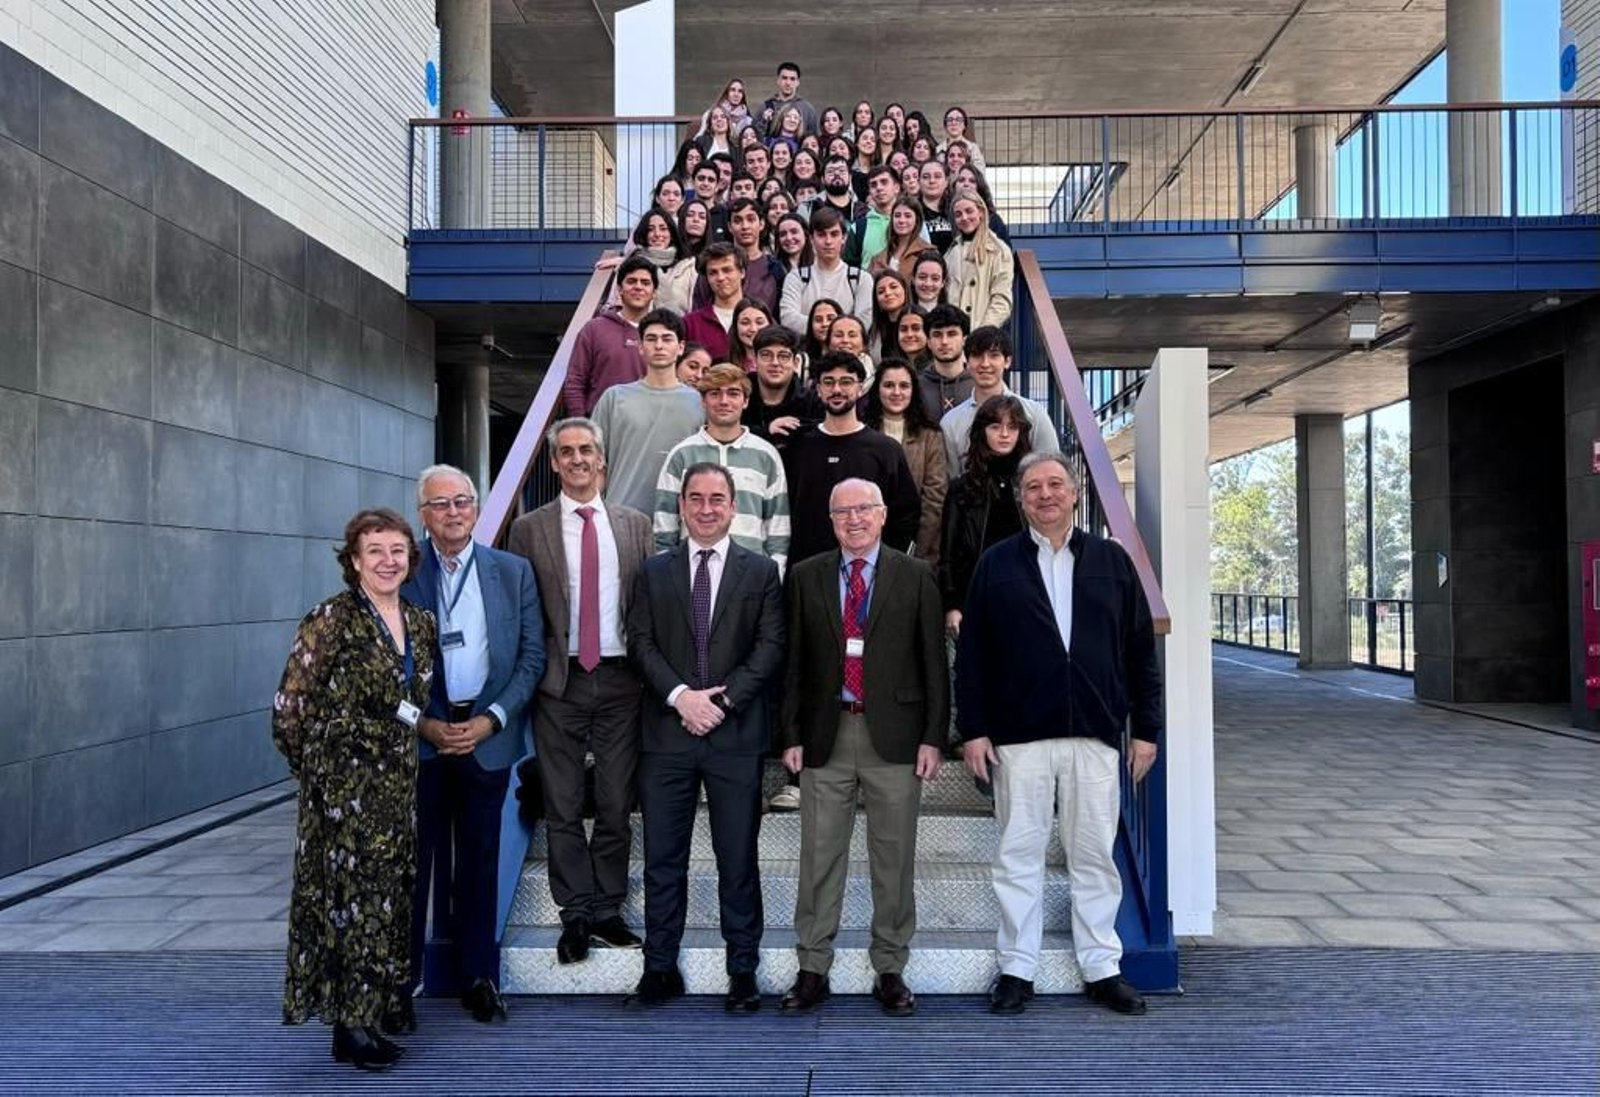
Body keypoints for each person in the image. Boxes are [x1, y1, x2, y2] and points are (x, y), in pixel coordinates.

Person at [957, 453, 1163, 1016]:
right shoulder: (996, 564)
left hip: (1093, 736)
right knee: (1017, 856)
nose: (1045, 494)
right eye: (1033, 487)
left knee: (1094, 856)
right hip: (1019, 737)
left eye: (1055, 484)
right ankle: (1016, 968)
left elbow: (1140, 652)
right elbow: (972, 656)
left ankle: (1101, 967)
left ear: (1074, 493)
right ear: (1020, 498)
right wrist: (973, 729)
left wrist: (1146, 729)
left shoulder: (1112, 562)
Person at [776, 478, 947, 1017]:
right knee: (818, 856)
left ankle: (890, 967)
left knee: (893, 859)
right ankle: (812, 967)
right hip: (825, 735)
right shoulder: (805, 576)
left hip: (895, 737)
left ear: (882, 515)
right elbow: (793, 664)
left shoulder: (915, 575)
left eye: (863, 509)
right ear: (830, 521)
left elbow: (934, 663)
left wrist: (933, 737)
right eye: (842, 511)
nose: (854, 519)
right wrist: (790, 735)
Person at [274, 508, 437, 1071]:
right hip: (342, 793)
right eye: (375, 551)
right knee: (350, 902)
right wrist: (321, 776)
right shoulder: (331, 619)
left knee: (389, 898)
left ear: (410, 559)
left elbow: (409, 704)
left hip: (397, 785)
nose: (388, 561)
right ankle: (350, 1025)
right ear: (354, 561)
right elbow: (289, 709)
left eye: (397, 551)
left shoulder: (420, 622)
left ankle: (374, 1008)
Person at [625, 463, 786, 1008]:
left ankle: (742, 971)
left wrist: (722, 701)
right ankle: (659, 969)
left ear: (734, 507)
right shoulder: (653, 571)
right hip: (666, 734)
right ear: (682, 506)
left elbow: (770, 646)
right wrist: (681, 697)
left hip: (734, 734)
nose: (706, 508)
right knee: (662, 860)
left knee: (737, 859)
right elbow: (640, 642)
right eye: (696, 498)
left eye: (717, 498)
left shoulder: (760, 572)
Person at [401, 466, 544, 1027]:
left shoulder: (512, 571)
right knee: (413, 865)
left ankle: (478, 976)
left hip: (486, 736)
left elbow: (531, 657)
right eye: (440, 504)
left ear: (477, 508)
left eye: (462, 501)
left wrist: (492, 720)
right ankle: (401, 983)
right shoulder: (402, 570)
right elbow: (384, 666)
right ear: (423, 515)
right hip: (425, 740)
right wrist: (423, 724)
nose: (454, 512)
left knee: (480, 861)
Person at [507, 419, 652, 969]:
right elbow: (523, 609)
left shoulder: (634, 525)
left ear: (602, 459)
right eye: (565, 452)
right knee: (562, 804)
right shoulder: (529, 529)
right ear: (554, 463)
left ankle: (608, 910)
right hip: (558, 682)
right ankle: (575, 915)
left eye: (586, 450)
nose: (577, 459)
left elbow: (645, 605)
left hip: (621, 680)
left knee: (615, 802)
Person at [780, 351, 920, 563]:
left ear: (860, 388)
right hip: (806, 571)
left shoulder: (886, 449)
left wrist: (886, 567)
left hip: (869, 572)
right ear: (818, 389)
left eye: (846, 382)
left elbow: (905, 516)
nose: (837, 389)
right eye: (829, 382)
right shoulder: (798, 445)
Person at [654, 363, 790, 573]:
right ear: (703, 400)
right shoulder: (681, 454)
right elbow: (664, 527)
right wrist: (670, 578)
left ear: (745, 401)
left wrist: (774, 577)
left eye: (733, 393)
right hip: (692, 575)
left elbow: (778, 529)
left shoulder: (766, 455)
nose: (724, 401)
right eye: (715, 393)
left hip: (750, 577)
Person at [592, 308, 705, 516]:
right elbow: (595, 464)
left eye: (667, 339)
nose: (659, 345)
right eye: (651, 339)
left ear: (680, 347)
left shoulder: (700, 403)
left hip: (680, 520)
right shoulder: (614, 398)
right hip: (620, 517)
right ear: (641, 347)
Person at [939, 396, 1034, 639]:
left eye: (1012, 427)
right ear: (982, 431)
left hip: (1028, 597)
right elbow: (949, 552)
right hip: (977, 597)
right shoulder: (962, 489)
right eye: (995, 426)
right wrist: (952, 604)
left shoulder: (1032, 485)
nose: (1004, 434)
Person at [864, 358, 947, 566]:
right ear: (877, 389)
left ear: (914, 390)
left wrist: (916, 550)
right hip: (866, 544)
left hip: (917, 547)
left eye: (904, 386)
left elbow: (935, 499)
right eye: (888, 385)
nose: (896, 392)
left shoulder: (930, 435)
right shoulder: (863, 432)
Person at [940, 326, 1057, 473]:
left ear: (1007, 361)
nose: (985, 364)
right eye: (977, 356)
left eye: (994, 356)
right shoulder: (951, 422)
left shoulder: (1034, 414)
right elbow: (952, 478)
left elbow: (1051, 468)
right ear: (967, 362)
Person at [563, 252, 653, 416]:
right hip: (600, 423)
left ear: (655, 291)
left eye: (645, 283)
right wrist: (581, 423)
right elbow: (575, 381)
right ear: (619, 290)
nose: (638, 287)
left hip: (649, 425)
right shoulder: (594, 329)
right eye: (631, 281)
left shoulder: (663, 334)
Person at [779, 206, 872, 337]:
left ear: (844, 237)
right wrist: (838, 329)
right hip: (807, 348)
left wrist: (822, 328)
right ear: (811, 239)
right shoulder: (796, 278)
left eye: (834, 234)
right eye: (821, 235)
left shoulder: (861, 278)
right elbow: (788, 318)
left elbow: (864, 321)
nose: (828, 241)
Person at [694, 199, 781, 313]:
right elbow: (698, 311)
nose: (745, 226)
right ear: (729, 226)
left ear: (761, 224)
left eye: (750, 219)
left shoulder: (774, 268)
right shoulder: (714, 265)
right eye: (737, 221)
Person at [743, 324, 823, 449]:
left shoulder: (812, 403)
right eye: (766, 355)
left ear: (795, 363)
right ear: (755, 360)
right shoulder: (738, 397)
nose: (775, 363)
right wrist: (765, 431)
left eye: (784, 356)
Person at [945, 192, 1014, 329]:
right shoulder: (950, 252)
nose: (964, 218)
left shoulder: (998, 250)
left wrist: (982, 332)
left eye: (969, 211)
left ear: (981, 212)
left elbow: (1001, 299)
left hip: (980, 332)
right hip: (952, 333)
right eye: (958, 214)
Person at [683, 243, 748, 362]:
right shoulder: (690, 324)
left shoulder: (759, 319)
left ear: (742, 272)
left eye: (727, 270)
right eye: (713, 273)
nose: (720, 278)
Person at [917, 304, 972, 422]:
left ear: (964, 339)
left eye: (952, 334)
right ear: (928, 342)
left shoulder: (979, 384)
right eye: (937, 335)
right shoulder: (915, 386)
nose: (944, 341)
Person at [844, 165, 901, 269]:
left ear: (896, 187)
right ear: (869, 192)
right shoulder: (858, 227)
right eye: (873, 185)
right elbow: (850, 268)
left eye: (884, 182)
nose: (879, 188)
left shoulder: (913, 222)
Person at [869, 199, 930, 276]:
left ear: (917, 220)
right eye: (897, 216)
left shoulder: (927, 253)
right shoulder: (879, 258)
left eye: (908, 216)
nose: (901, 220)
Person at [758, 60, 819, 139]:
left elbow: (813, 139)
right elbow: (756, 136)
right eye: (784, 78)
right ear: (778, 81)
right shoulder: (765, 107)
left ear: (798, 82)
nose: (788, 83)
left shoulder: (807, 109)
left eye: (792, 79)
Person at [867, 270, 911, 362]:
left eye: (893, 287)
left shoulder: (920, 321)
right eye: (881, 291)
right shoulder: (874, 332)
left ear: (905, 290)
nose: (887, 293)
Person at [915, 160, 954, 252]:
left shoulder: (956, 209)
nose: (932, 181)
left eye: (937, 176)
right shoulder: (911, 211)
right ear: (919, 182)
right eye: (926, 177)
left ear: (946, 181)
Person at [728, 298, 776, 372]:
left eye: (759, 322)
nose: (753, 329)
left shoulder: (782, 364)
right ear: (736, 327)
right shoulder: (725, 366)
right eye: (745, 323)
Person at [825, 313, 873, 384]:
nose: (845, 340)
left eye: (852, 335)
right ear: (828, 342)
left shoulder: (877, 381)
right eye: (838, 335)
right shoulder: (816, 378)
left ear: (863, 343)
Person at [938, 106, 987, 171]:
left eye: (958, 120)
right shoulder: (937, 150)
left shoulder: (973, 149)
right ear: (945, 126)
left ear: (964, 126)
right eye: (950, 120)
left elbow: (980, 172)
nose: (954, 123)